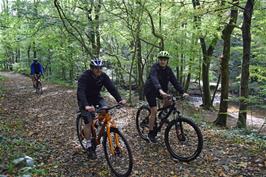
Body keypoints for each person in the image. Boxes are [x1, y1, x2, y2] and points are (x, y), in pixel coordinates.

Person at [77, 58, 126, 159]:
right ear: (91, 68)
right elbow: (80, 91)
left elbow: (111, 88)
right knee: (88, 121)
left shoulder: (103, 76)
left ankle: (97, 122)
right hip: (84, 99)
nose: (98, 70)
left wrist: (119, 99)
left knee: (105, 109)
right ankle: (89, 144)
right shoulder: (84, 77)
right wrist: (86, 105)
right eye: (96, 68)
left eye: (100, 68)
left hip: (96, 97)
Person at [144, 51, 186, 143]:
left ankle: (162, 114)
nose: (163, 61)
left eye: (164, 60)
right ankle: (151, 133)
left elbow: (174, 81)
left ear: (167, 61)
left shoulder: (168, 70)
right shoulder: (154, 68)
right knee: (154, 110)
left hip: (161, 90)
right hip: (150, 90)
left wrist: (182, 92)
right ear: (159, 60)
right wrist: (160, 90)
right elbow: (154, 79)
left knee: (169, 100)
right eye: (161, 59)